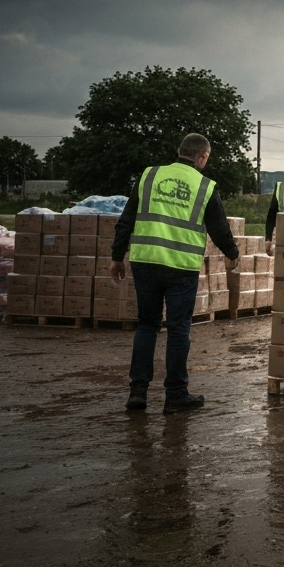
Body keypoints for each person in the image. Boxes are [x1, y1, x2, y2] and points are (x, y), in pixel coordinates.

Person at [110, 133, 239, 415]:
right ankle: (176, 394)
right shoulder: (205, 186)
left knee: (147, 325)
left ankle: (138, 392)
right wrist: (233, 254)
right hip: (180, 267)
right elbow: (219, 229)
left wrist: (117, 257)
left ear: (179, 151)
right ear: (202, 156)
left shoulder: (150, 175)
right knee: (179, 329)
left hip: (145, 261)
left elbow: (127, 217)